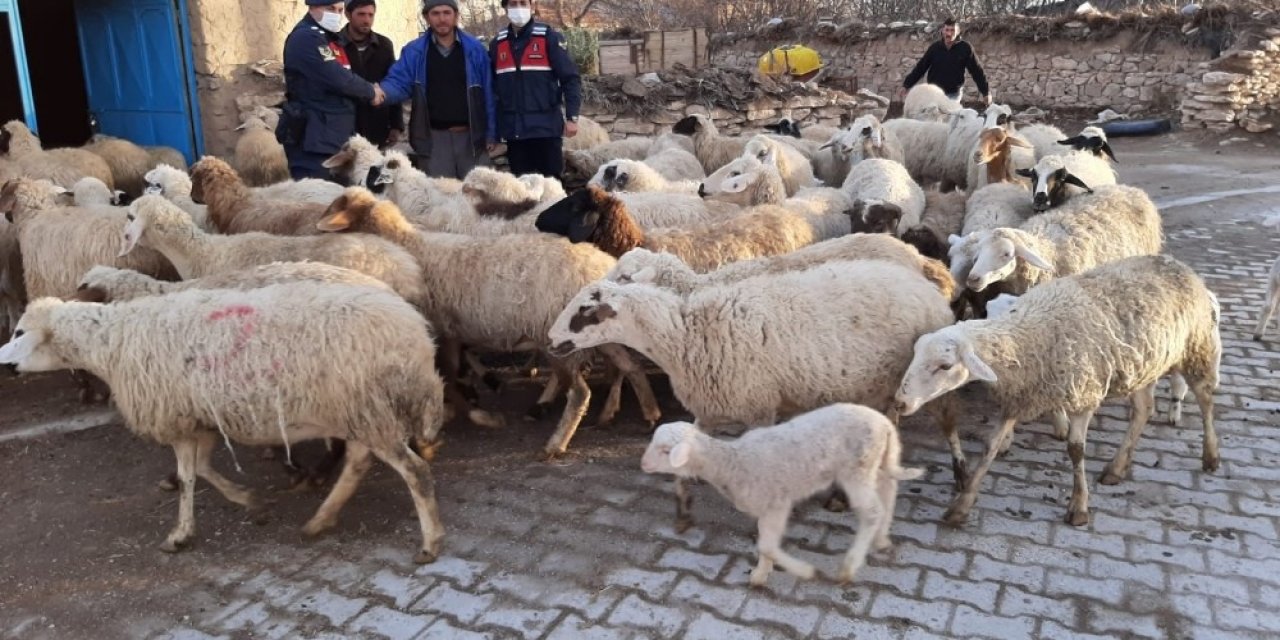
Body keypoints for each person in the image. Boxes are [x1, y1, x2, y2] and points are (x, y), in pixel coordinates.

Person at [379, 0, 495, 179]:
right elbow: (398, 82)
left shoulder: (475, 50)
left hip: (471, 138)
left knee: (477, 198)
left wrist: (491, 133)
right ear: (426, 17)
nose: (442, 19)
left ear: (456, 16)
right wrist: (379, 93)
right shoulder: (414, 52)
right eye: (435, 13)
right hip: (433, 139)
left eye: (447, 13)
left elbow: (489, 93)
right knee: (440, 199)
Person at [278, 0, 386, 180]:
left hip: (332, 136)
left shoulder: (328, 38)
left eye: (339, 10)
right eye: (329, 9)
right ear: (312, 7)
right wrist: (370, 91)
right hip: (315, 137)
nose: (335, 14)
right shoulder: (306, 38)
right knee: (318, 200)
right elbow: (336, 77)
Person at [489, 0, 582, 180]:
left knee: (552, 188)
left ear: (532, 6)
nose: (518, 8)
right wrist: (492, 132)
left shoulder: (549, 37)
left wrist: (572, 117)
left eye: (523, 2)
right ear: (505, 8)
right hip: (515, 133)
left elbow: (570, 79)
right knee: (523, 192)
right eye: (513, 3)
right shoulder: (497, 44)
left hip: (546, 129)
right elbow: (492, 90)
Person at [342, 0, 405, 149]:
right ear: (348, 14)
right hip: (345, 125)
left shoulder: (384, 45)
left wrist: (396, 124)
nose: (366, 20)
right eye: (361, 14)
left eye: (371, 15)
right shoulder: (335, 44)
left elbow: (393, 82)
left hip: (377, 125)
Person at [900, 18, 991, 107]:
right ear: (943, 31)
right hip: (933, 93)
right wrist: (906, 85)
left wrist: (986, 92)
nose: (949, 33)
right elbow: (920, 68)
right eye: (947, 30)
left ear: (958, 32)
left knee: (949, 119)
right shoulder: (935, 48)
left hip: (953, 94)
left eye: (952, 30)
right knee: (933, 120)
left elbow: (977, 71)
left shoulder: (965, 48)